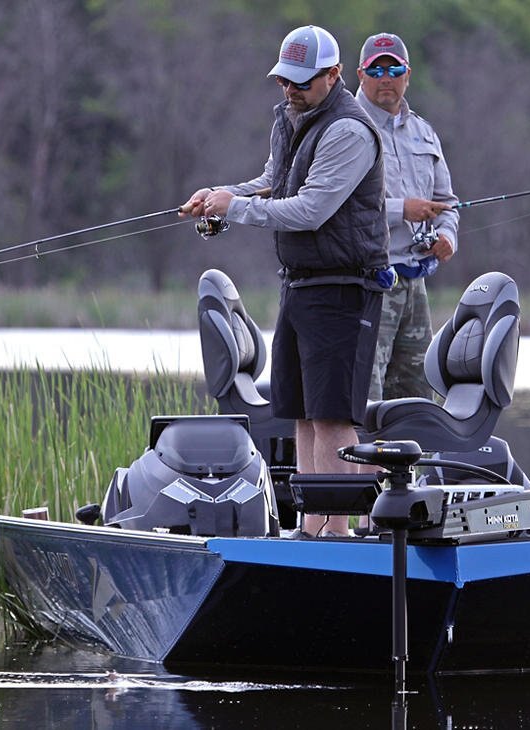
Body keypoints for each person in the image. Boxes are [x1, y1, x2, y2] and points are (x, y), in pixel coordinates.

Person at [182, 25, 390, 538]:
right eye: (284, 81)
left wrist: (240, 208)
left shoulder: (349, 130)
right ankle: (312, 526)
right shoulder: (291, 118)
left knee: (332, 415)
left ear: (334, 74)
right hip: (300, 284)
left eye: (302, 81)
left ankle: (336, 531)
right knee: (299, 410)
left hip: (344, 287)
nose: (291, 90)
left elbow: (312, 208)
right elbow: (274, 180)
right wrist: (218, 195)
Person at [355, 33, 460, 401]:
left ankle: (413, 461)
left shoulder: (424, 132)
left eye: (394, 68)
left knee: (419, 400)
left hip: (416, 285)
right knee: (365, 400)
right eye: (377, 69)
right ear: (361, 75)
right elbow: (339, 210)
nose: (386, 77)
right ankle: (361, 462)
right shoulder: (347, 129)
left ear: (407, 75)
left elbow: (448, 202)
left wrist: (447, 236)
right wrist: (403, 210)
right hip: (369, 284)